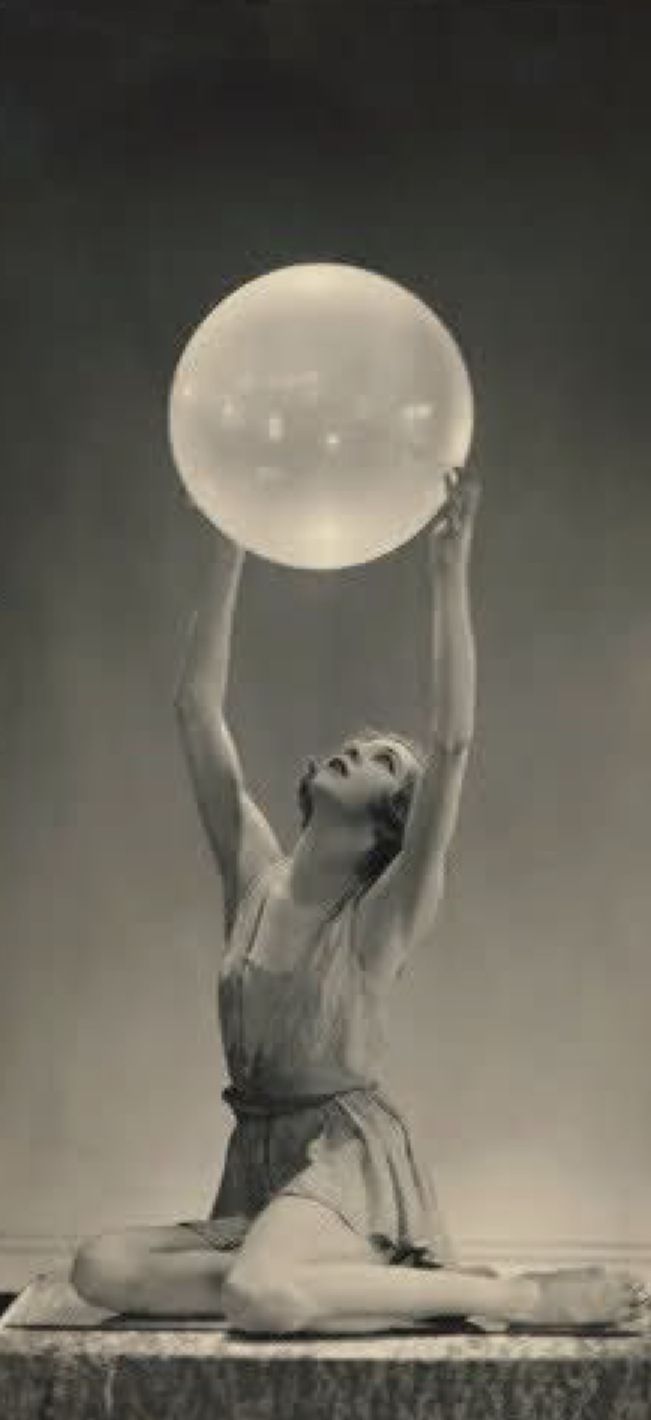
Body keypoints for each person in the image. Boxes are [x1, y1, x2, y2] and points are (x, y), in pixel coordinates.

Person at [72, 471, 649, 1335]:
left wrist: (447, 575)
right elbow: (195, 710)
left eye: (381, 759)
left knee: (258, 1298)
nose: (357, 747)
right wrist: (228, 545)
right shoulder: (252, 870)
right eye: (359, 744)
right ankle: (333, 1281)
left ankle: (508, 1296)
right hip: (265, 1166)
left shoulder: (379, 921)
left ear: (391, 822)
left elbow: (451, 744)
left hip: (347, 1165)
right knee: (99, 1267)